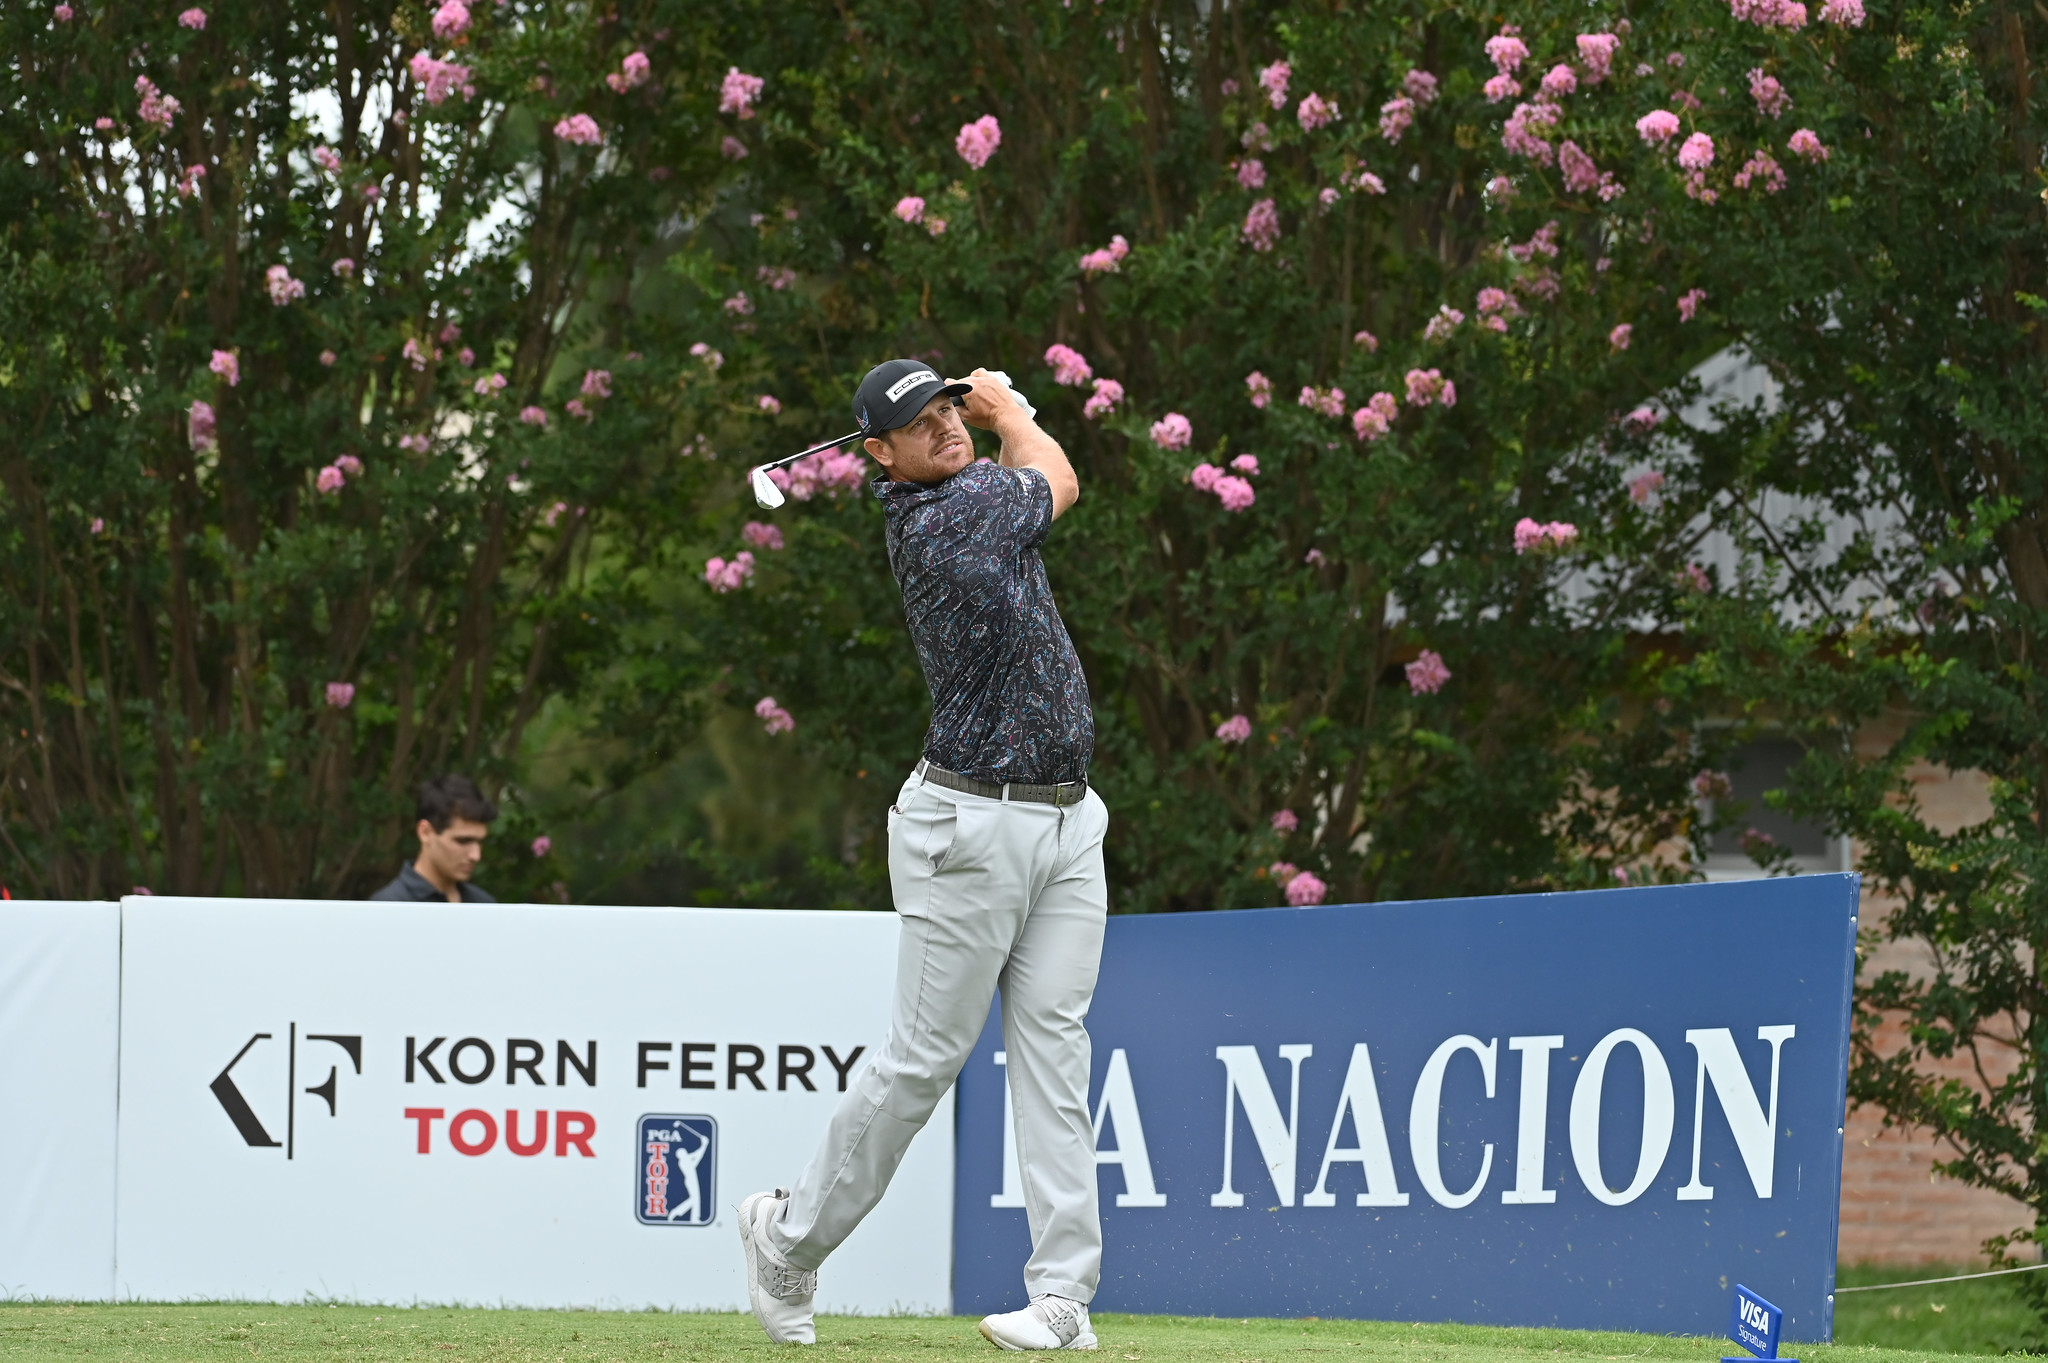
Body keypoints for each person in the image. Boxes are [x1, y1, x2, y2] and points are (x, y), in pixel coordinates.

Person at [736, 359, 1109, 1352]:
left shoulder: (974, 487)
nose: (945, 424)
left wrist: (993, 423)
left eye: (949, 404)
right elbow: (1058, 478)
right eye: (920, 419)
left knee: (1054, 1059)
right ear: (878, 455)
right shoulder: (937, 522)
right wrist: (1011, 411)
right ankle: (787, 1238)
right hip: (967, 828)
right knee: (921, 1062)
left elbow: (1025, 474)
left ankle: (1062, 1299)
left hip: (1070, 820)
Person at [369, 775, 499, 903]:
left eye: (480, 842)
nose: (476, 856)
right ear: (425, 832)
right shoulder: (390, 905)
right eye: (463, 841)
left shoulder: (482, 904)